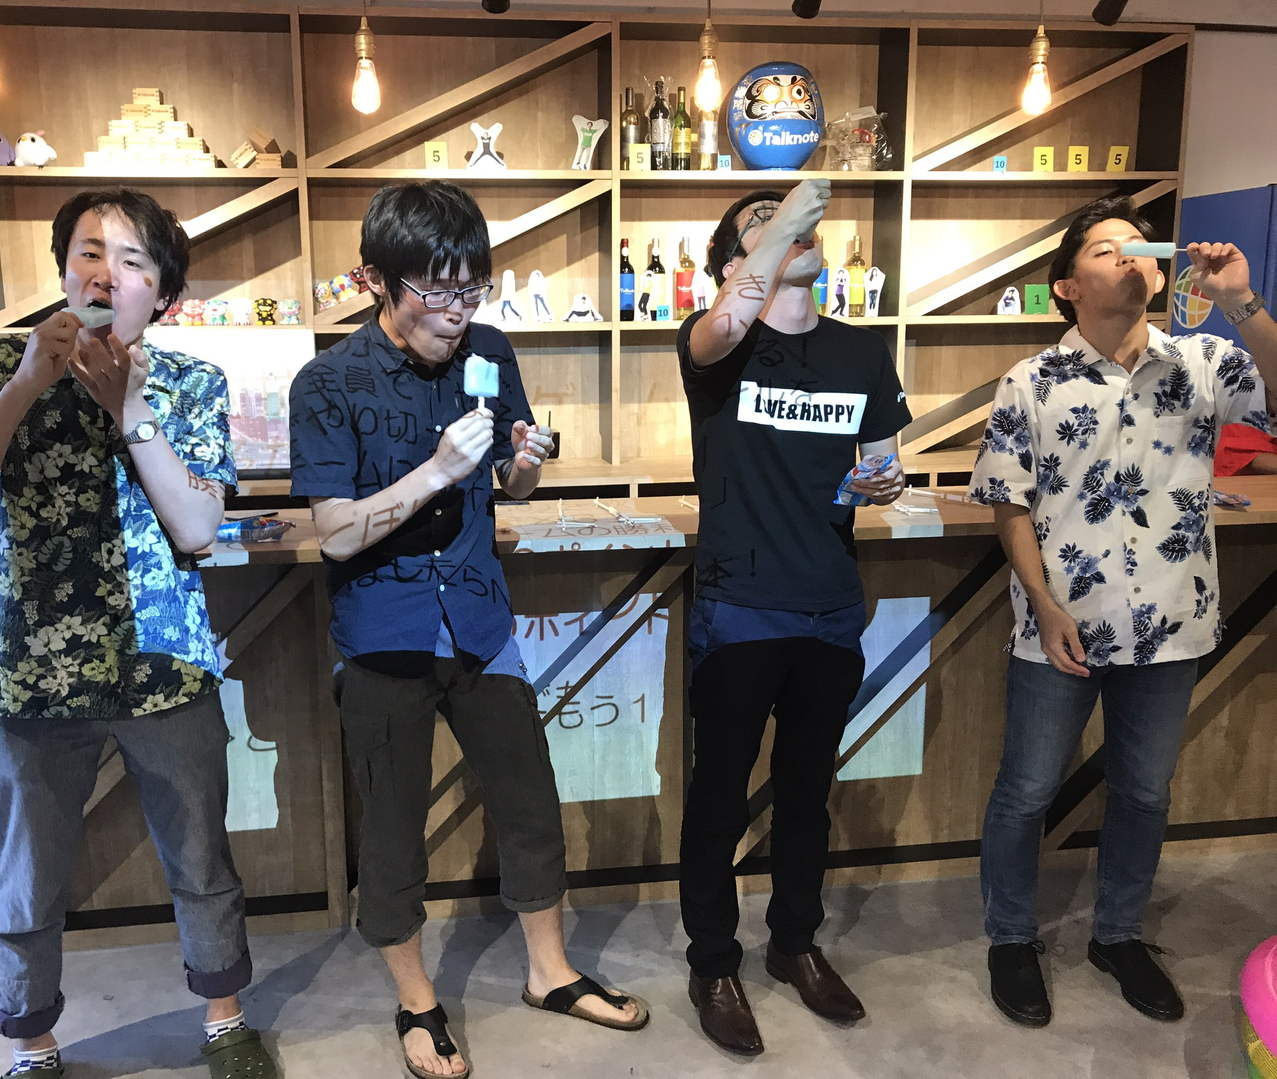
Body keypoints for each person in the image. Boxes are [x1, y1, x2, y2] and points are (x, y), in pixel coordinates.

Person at [0, 189, 276, 1079]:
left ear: (165, 292)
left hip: (166, 664)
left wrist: (129, 408)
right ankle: (31, 1047)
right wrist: (27, 383)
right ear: (63, 270)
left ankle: (226, 1022)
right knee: (27, 874)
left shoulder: (190, 381)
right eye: (88, 252)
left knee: (202, 856)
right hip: (28, 672)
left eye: (132, 260)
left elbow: (197, 528)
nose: (105, 273)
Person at [287, 180, 646, 1079]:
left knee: (530, 800)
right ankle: (417, 1001)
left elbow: (510, 486)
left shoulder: (488, 350)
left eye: (472, 288)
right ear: (377, 280)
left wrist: (522, 465)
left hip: (483, 621)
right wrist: (438, 471)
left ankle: (549, 972)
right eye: (437, 291)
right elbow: (335, 533)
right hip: (383, 633)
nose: (458, 312)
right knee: (392, 829)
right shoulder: (328, 383)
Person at [969, 194, 1277, 1028]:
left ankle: (1118, 933)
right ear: (1067, 287)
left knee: (1143, 790)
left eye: (1141, 245)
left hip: (1174, 622)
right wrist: (1041, 601)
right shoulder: (1031, 381)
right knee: (1026, 790)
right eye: (1107, 249)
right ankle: (1010, 937)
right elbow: (1007, 501)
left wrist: (1242, 300)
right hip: (1061, 625)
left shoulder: (1206, 360)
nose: (1131, 256)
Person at [675, 183, 911, 1056]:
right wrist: (777, 227)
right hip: (738, 604)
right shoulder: (715, 344)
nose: (790, 229)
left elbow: (883, 462)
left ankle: (794, 943)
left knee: (808, 791)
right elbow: (719, 327)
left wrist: (886, 480)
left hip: (830, 605)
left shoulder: (860, 352)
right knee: (719, 794)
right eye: (760, 225)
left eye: (795, 219)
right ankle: (713, 960)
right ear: (732, 265)